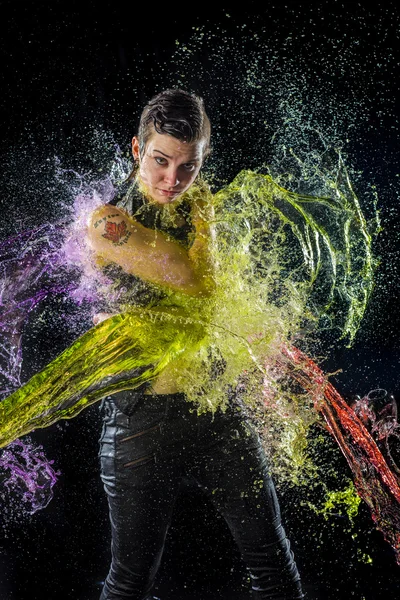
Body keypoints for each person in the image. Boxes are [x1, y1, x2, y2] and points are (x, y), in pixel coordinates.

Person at [86, 88, 305, 600]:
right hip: (142, 419)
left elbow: (233, 296)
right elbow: (194, 279)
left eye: (189, 168)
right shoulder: (107, 222)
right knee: (130, 582)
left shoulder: (194, 205)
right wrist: (207, 217)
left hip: (216, 406)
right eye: (161, 162)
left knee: (274, 568)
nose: (174, 181)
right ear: (137, 150)